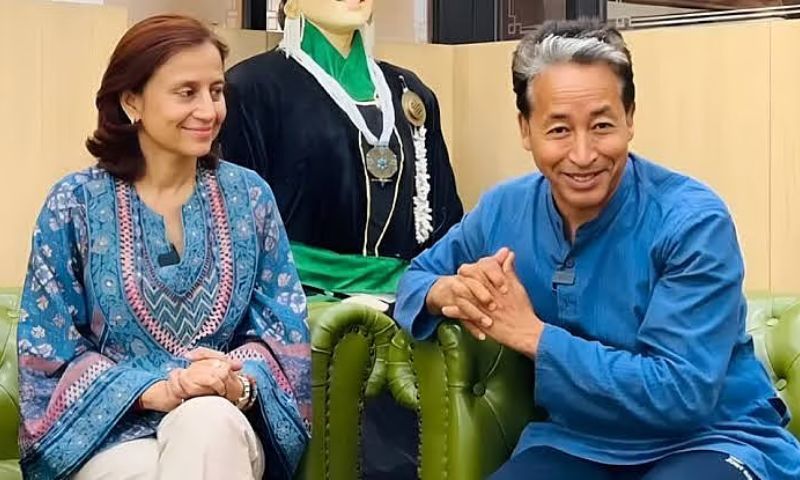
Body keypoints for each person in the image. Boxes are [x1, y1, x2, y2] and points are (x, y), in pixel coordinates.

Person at [395, 19, 800, 480]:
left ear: (630, 119)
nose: (584, 154)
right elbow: (415, 278)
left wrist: (532, 335)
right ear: (525, 129)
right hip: (577, 443)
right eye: (559, 130)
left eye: (602, 125)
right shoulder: (503, 210)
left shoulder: (692, 220)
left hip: (711, 437)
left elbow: (682, 394)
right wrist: (447, 293)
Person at [17, 15, 310, 480]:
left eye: (216, 91)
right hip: (110, 434)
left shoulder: (250, 197)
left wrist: (230, 385)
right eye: (186, 92)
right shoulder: (74, 204)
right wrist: (159, 390)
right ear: (131, 100)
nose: (209, 110)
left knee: (205, 422)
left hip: (224, 424)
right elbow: (50, 351)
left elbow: (282, 331)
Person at [219, 0, 463, 305]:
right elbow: (236, 228)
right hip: (298, 301)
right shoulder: (250, 89)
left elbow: (445, 216)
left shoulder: (410, 92)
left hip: (412, 300)